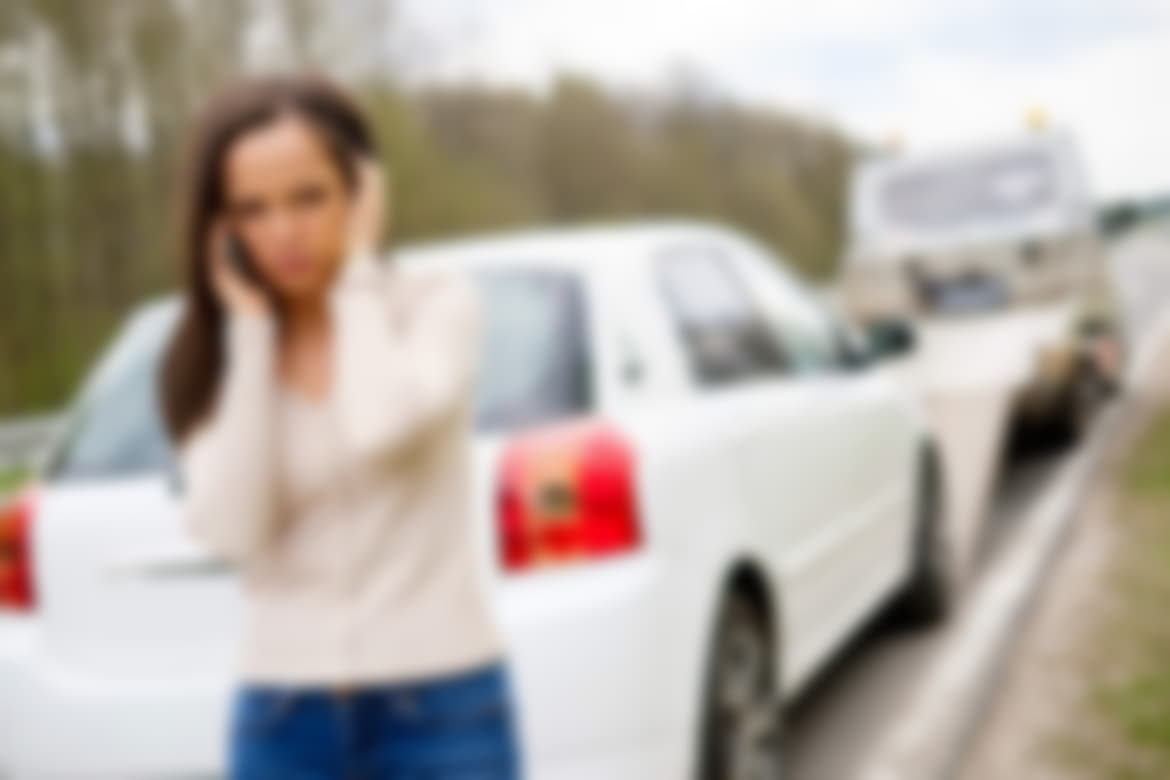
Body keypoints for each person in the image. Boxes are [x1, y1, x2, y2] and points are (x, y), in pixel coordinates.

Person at [157, 74, 523, 779]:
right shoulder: (211, 358)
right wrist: (251, 336)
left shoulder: (434, 306)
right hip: (281, 722)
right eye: (253, 209)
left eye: (309, 197)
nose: (284, 231)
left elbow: (377, 426)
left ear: (361, 193)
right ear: (220, 228)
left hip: (446, 712)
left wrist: (356, 274)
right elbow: (234, 531)